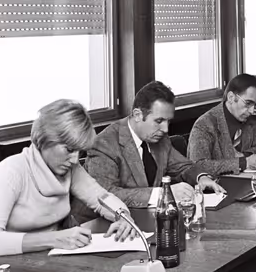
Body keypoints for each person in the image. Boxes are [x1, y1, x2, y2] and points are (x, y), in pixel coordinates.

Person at [0, 100, 138, 258]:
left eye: (79, 152)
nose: (75, 160)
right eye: (69, 150)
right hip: (8, 265)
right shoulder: (11, 172)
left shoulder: (70, 168)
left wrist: (123, 216)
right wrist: (54, 239)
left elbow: (102, 197)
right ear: (45, 139)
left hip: (49, 258)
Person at [84, 81, 225, 212]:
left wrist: (201, 177)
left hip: (147, 217)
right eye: (159, 121)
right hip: (102, 224)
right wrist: (164, 193)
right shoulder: (104, 144)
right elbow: (106, 195)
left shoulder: (159, 137)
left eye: (168, 121)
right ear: (138, 115)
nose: (165, 129)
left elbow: (182, 167)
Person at [188, 74, 256, 176]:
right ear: (231, 97)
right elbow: (198, 165)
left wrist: (246, 155)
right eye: (248, 103)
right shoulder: (205, 124)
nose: (252, 111)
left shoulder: (245, 119)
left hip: (244, 180)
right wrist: (243, 163)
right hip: (215, 183)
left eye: (255, 105)